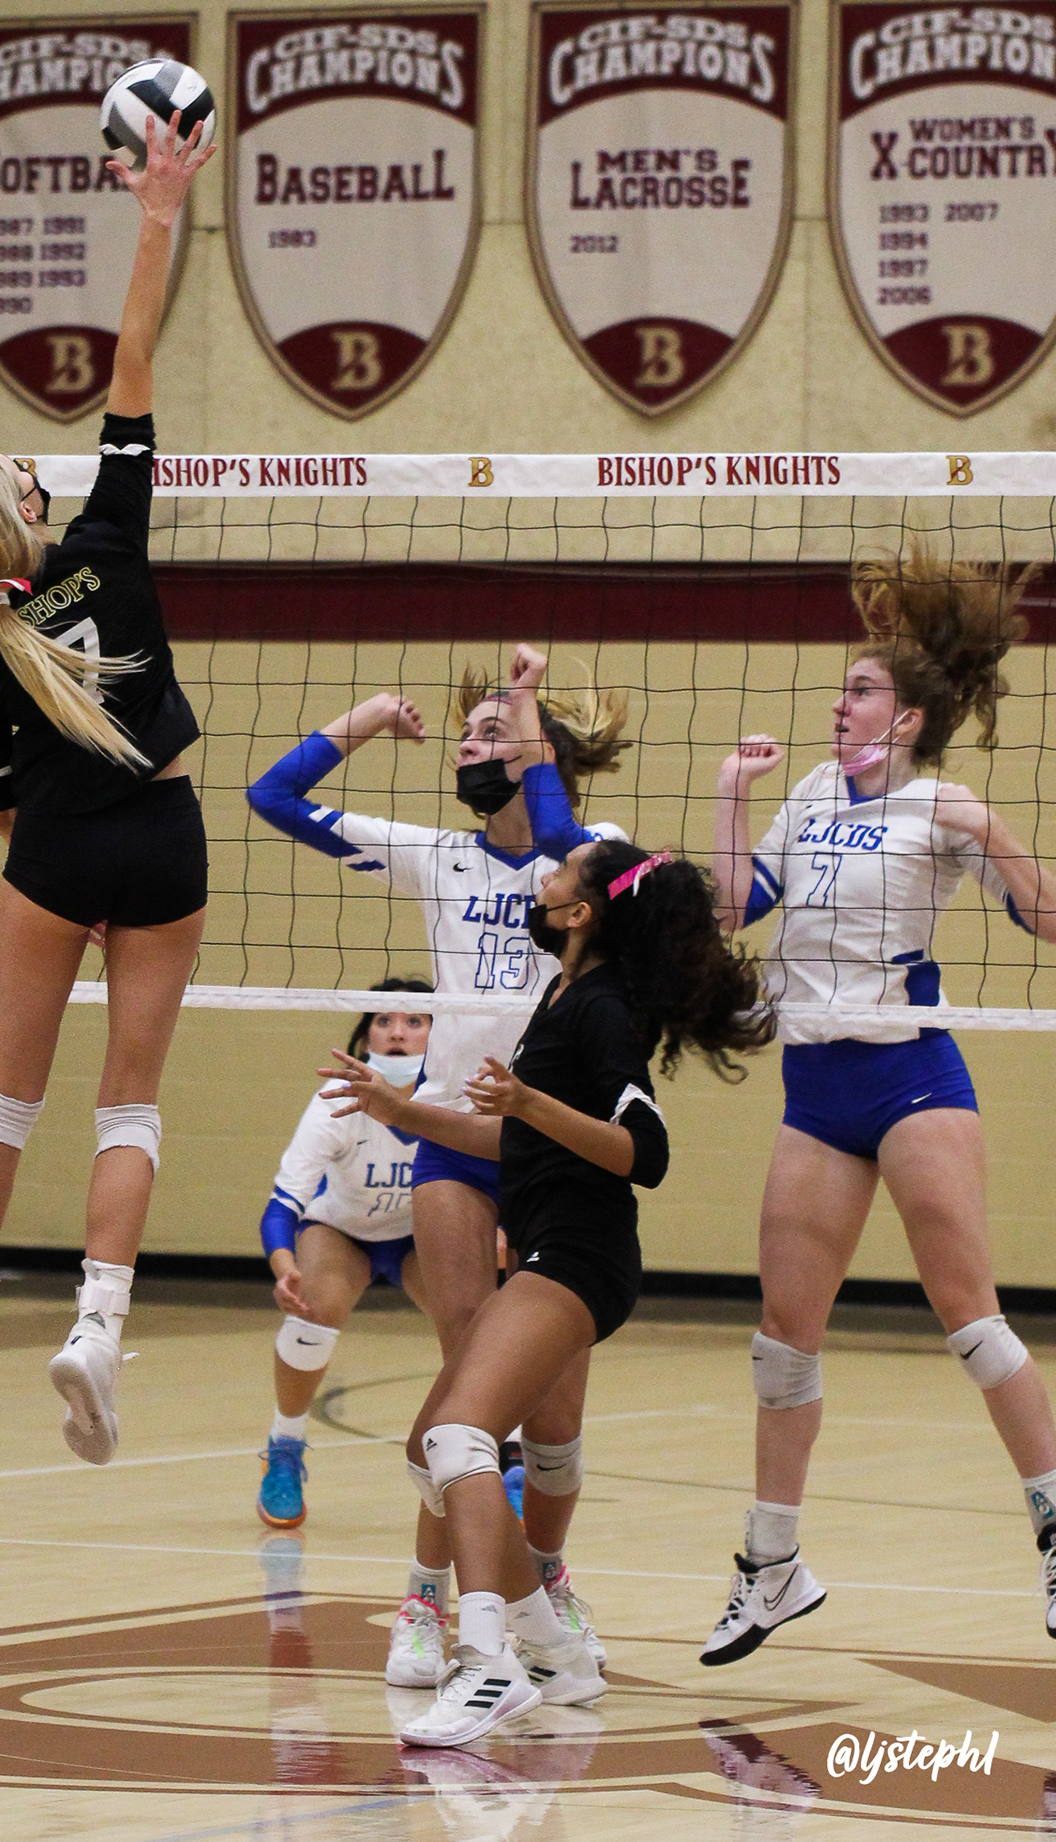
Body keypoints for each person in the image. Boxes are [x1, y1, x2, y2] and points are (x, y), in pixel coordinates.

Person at [0, 110, 215, 1465]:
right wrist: (158, 213)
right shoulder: (111, 540)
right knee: (126, 1104)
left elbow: (5, 810)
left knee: (4, 1097)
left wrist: (56, 869)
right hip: (163, 842)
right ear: (24, 508)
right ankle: (96, 1325)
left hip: (55, 856)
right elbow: (133, 357)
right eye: (27, 471)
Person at [327, 834, 773, 1745]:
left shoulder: (603, 1008)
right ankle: (557, 1652)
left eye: (563, 873)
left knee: (461, 1437)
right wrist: (403, 1110)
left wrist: (529, 1101)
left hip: (580, 1253)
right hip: (554, 1247)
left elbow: (646, 1151)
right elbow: (521, 1140)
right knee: (429, 1449)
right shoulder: (561, 994)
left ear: (581, 913)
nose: (545, 877)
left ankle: (488, 1663)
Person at [699, 545, 1056, 1663]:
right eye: (843, 688)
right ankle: (772, 1563)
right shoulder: (811, 792)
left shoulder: (944, 803)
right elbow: (734, 906)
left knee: (971, 1319)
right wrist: (731, 793)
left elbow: (1046, 917)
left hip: (910, 1075)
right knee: (781, 1342)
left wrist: (996, 836)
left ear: (905, 718)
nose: (839, 703)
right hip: (817, 1089)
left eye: (859, 690)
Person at [245, 663, 628, 1686]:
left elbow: (558, 835)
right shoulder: (437, 856)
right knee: (469, 1392)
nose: (468, 746)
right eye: (465, 733)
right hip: (454, 1145)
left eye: (490, 732)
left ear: (541, 752)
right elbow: (272, 797)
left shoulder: (591, 856)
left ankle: (544, 1581)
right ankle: (427, 1600)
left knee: (556, 1422)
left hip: (555, 1149)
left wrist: (527, 713)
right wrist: (371, 716)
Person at [257, 979, 432, 1528]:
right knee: (317, 1305)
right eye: (384, 1020)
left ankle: (507, 1459)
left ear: (441, 1035)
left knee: (477, 1314)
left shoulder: (453, 1096)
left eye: (414, 1020)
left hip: (421, 1235)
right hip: (341, 1230)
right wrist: (284, 1268)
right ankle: (285, 1447)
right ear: (364, 1039)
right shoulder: (336, 1101)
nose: (398, 1031)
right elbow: (282, 1205)